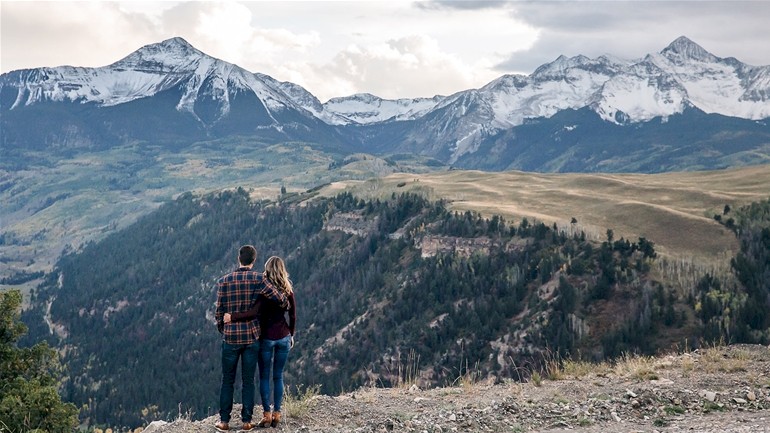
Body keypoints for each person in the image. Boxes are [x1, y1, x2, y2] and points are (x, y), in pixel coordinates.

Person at [215, 246, 290, 432]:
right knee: (248, 381)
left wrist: (224, 328)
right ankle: (247, 421)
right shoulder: (259, 279)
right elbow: (280, 298)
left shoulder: (224, 281)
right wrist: (285, 303)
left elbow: (219, 312)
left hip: (231, 338)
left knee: (227, 380)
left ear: (238, 258)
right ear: (254, 260)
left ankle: (224, 421)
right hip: (251, 337)